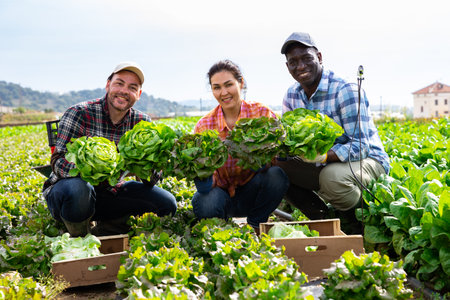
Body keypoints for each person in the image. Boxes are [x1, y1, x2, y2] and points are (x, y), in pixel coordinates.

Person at [42, 62, 177, 237]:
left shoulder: (142, 122)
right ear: (108, 85)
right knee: (79, 190)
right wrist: (95, 171)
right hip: (69, 193)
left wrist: (151, 164)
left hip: (111, 193)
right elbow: (58, 162)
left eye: (132, 87)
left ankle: (108, 229)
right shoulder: (79, 112)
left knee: (166, 203)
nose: (124, 91)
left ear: (139, 94)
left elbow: (151, 180)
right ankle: (79, 236)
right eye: (119, 83)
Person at [276, 32, 390, 234]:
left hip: (368, 160)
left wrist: (324, 156)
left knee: (331, 178)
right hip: (321, 164)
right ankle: (324, 220)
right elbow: (289, 142)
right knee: (274, 169)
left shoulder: (345, 89)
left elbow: (361, 145)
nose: (300, 66)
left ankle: (357, 223)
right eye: (293, 62)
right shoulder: (292, 95)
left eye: (306, 58)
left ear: (319, 57)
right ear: (287, 67)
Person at [192, 59, 289, 234]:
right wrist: (203, 177)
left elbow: (279, 156)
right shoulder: (204, 125)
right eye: (217, 87)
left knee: (276, 176)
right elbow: (203, 173)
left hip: (252, 192)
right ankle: (220, 234)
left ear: (241, 83)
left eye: (229, 85)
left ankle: (255, 226)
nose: (224, 92)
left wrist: (263, 157)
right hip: (220, 196)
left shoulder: (262, 114)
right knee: (204, 199)